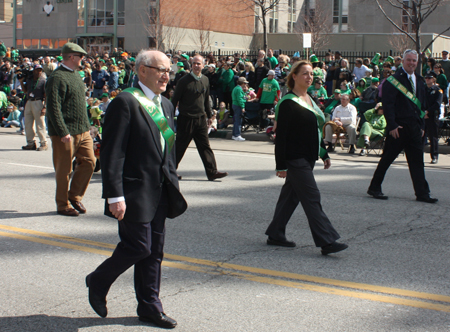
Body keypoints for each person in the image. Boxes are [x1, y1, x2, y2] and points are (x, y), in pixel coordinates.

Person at [86, 50, 187, 329]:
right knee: (138, 246)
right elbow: (112, 153)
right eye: (160, 69)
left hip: (160, 190)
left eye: (169, 70)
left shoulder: (165, 105)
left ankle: (150, 307)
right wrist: (114, 195)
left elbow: (168, 149)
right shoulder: (125, 102)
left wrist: (173, 181)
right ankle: (98, 280)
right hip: (133, 192)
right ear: (142, 70)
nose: (166, 75)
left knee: (154, 251)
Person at [264, 60, 348, 255]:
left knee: (290, 197)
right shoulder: (288, 102)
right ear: (294, 76)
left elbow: (313, 131)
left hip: (308, 157)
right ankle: (326, 241)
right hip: (295, 158)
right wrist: (281, 165)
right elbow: (281, 137)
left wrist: (323, 152)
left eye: (311, 74)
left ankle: (276, 233)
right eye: (305, 73)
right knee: (312, 197)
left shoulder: (309, 98)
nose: (309, 77)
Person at [367, 49, 438, 203]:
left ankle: (422, 194)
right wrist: (392, 125)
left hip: (414, 128)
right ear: (403, 61)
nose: (411, 63)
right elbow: (388, 105)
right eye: (409, 60)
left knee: (417, 162)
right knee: (387, 159)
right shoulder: (393, 80)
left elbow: (422, 105)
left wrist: (422, 125)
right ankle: (374, 187)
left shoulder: (419, 80)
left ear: (417, 62)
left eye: (414, 60)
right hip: (398, 128)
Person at [45, 42, 96, 216]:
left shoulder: (75, 75)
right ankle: (62, 204)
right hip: (65, 133)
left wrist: (88, 127)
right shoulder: (57, 77)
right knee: (64, 170)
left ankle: (74, 196)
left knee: (90, 162)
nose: (83, 59)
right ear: (72, 57)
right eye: (81, 57)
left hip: (82, 130)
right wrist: (62, 131)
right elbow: (53, 107)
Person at [172, 54, 228, 181]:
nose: (196, 66)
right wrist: (170, 117)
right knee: (180, 147)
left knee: (205, 146)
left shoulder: (205, 80)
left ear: (203, 65)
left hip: (201, 119)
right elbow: (174, 100)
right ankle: (170, 171)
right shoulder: (183, 81)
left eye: (199, 64)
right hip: (186, 119)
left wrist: (209, 115)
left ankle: (212, 172)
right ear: (191, 65)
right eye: (194, 64)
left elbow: (206, 99)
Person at [20, 64, 48, 151]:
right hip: (29, 101)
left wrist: (45, 107)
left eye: (40, 70)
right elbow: (25, 91)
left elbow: (46, 95)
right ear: (34, 71)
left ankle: (43, 143)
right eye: (37, 70)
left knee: (40, 124)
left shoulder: (43, 81)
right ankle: (30, 143)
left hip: (38, 101)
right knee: (28, 124)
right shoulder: (29, 80)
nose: (39, 72)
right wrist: (21, 82)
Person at [423, 72, 443, 164]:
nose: (427, 79)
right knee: (420, 136)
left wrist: (428, 111)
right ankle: (418, 156)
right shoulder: (423, 89)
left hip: (432, 116)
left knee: (433, 137)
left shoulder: (438, 90)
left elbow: (437, 104)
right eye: (426, 78)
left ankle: (434, 156)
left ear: (433, 79)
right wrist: (423, 112)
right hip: (423, 115)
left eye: (429, 78)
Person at [231, 77, 248, 141]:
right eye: (245, 83)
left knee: (236, 120)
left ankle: (234, 134)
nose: (245, 85)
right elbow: (240, 99)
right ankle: (237, 135)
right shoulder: (239, 89)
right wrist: (243, 107)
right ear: (243, 83)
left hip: (235, 105)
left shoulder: (236, 88)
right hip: (238, 105)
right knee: (238, 121)